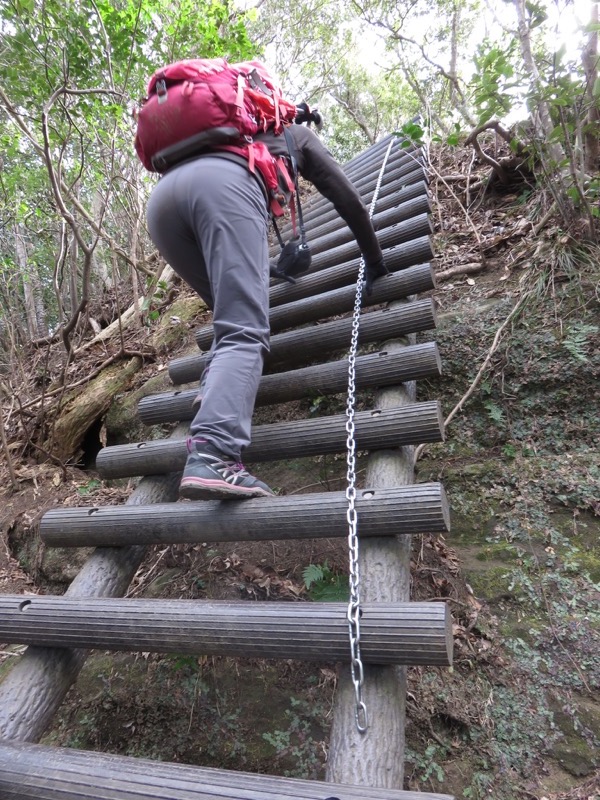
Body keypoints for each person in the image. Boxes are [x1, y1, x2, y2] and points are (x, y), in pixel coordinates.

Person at [146, 119, 388, 501]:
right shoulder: (297, 135)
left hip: (162, 206)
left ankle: (215, 391)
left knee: (230, 313)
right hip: (223, 189)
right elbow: (348, 199)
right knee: (245, 328)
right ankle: (214, 454)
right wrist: (374, 259)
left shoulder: (217, 135)